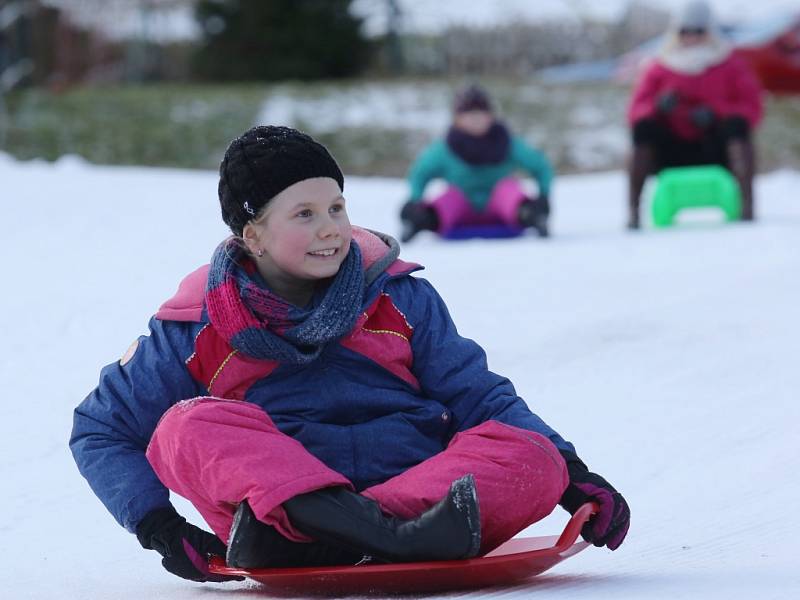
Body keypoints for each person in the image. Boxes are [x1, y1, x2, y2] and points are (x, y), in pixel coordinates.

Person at [70, 125, 629, 584]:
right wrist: (160, 527)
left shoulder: (398, 295)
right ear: (253, 235)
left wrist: (573, 472)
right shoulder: (195, 325)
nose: (331, 230)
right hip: (280, 506)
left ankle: (357, 534)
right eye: (304, 214)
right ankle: (375, 537)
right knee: (184, 427)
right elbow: (102, 428)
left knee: (532, 457)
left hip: (417, 495)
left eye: (337, 207)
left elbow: (478, 396)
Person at [626, 0, 763, 229]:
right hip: (672, 149)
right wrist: (658, 107)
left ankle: (747, 207)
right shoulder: (658, 68)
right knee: (643, 128)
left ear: (709, 31)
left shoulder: (730, 65)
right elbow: (635, 112)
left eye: (698, 31)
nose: (691, 37)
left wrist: (717, 113)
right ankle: (633, 213)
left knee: (737, 126)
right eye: (685, 31)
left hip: (716, 147)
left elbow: (752, 107)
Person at [400, 84, 554, 241]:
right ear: (457, 118)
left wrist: (543, 196)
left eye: (480, 114)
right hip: (461, 205)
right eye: (469, 114)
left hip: (501, 205)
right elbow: (421, 173)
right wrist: (415, 199)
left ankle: (531, 215)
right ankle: (423, 220)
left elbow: (540, 166)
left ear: (491, 116)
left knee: (508, 189)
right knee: (449, 197)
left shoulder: (506, 143)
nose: (475, 119)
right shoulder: (446, 148)